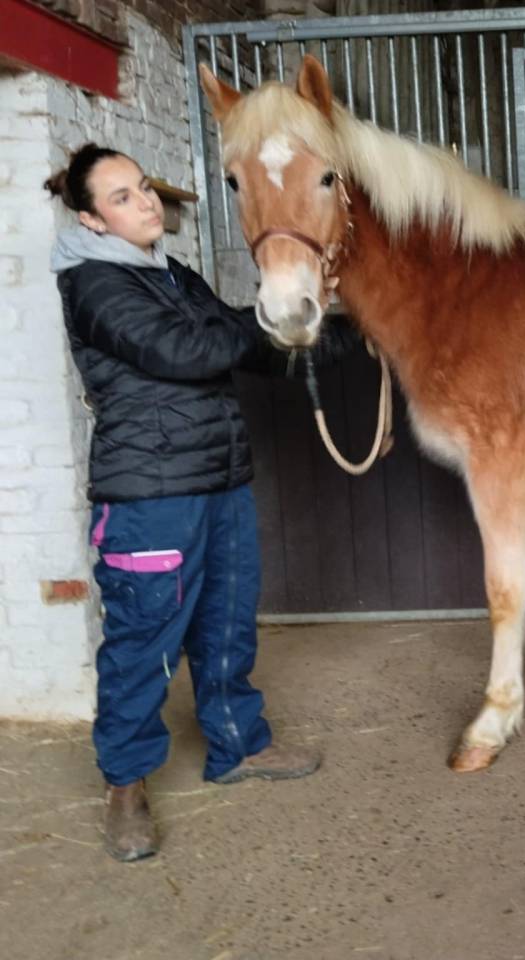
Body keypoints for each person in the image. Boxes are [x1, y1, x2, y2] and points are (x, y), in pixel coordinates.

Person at [46, 143, 353, 862]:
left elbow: (244, 343)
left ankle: (238, 748)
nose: (146, 202)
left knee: (225, 625)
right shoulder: (94, 282)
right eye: (121, 196)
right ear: (91, 218)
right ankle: (125, 785)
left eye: (144, 189)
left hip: (220, 480)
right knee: (142, 644)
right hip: (150, 496)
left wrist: (331, 339)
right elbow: (186, 352)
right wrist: (255, 325)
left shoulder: (170, 275)